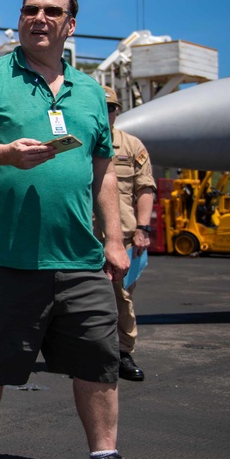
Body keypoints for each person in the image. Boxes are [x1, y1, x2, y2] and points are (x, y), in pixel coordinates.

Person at [0, 0, 161, 459]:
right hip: (3, 255)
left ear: (69, 24)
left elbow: (102, 173)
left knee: (100, 362)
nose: (39, 17)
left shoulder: (86, 91)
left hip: (79, 258)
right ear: (21, 19)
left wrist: (114, 240)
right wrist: (4, 154)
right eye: (30, 9)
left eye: (51, 11)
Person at [103, 85, 155, 382]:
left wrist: (142, 228)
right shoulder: (77, 143)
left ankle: (123, 352)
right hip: (85, 235)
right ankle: (86, 352)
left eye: (110, 107)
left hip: (123, 236)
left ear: (117, 110)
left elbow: (144, 189)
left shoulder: (132, 146)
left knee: (121, 297)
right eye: (101, 107)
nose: (106, 112)